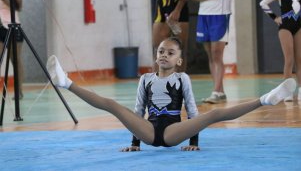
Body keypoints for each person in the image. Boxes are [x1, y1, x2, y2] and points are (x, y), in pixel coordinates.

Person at [46, 37, 296, 151]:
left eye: (170, 53)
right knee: (112, 104)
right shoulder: (145, 79)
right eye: (161, 51)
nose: (164, 55)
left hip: (171, 133)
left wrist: (193, 143)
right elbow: (137, 112)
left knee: (214, 113)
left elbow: (194, 113)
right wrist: (135, 144)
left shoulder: (182, 78)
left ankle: (267, 99)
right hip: (147, 130)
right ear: (156, 56)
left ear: (179, 61)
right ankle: (66, 82)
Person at [190, 0, 233, 104]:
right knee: (210, 55)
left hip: (220, 15)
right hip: (204, 16)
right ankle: (219, 92)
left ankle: (216, 91)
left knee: (217, 54)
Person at [260, 0, 301, 102]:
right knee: (289, 60)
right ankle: (287, 92)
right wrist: (274, 17)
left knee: (300, 60)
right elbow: (263, 3)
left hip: (299, 27)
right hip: (285, 28)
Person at [0, 0, 24, 99]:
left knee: (15, 60)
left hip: (14, 28)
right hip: (0, 28)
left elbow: (18, 6)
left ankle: (18, 90)